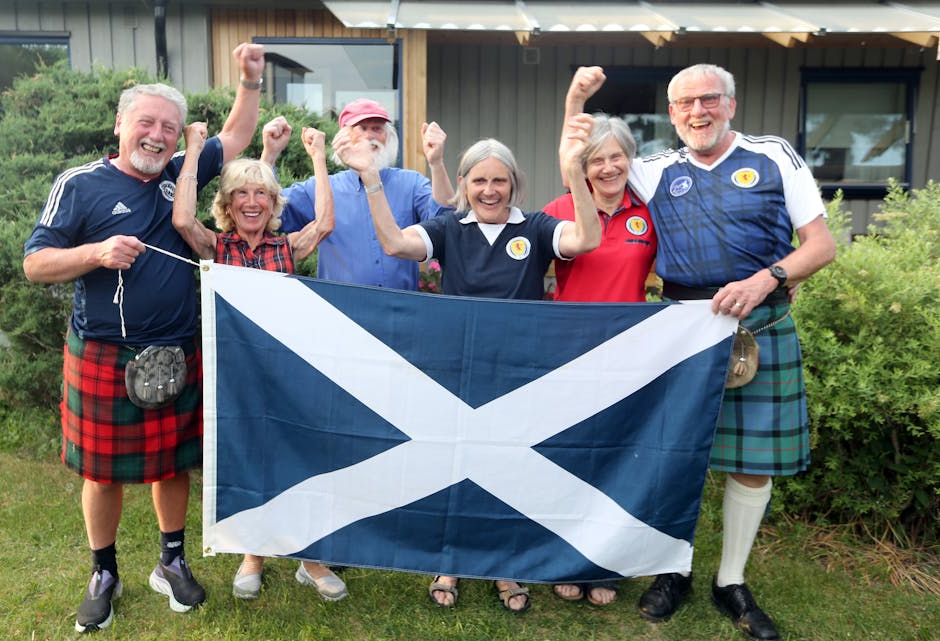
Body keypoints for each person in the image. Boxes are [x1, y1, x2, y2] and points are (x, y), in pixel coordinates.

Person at [564, 64, 836, 641]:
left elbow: (821, 244)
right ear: (672, 113)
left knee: (752, 462)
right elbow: (584, 156)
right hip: (685, 327)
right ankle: (673, 570)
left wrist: (767, 280)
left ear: (730, 104)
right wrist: (577, 99)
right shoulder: (655, 169)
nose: (697, 111)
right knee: (674, 453)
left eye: (708, 99)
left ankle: (730, 581)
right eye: (684, 103)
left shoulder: (773, 155)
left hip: (762, 323)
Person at [22, 43, 266, 633]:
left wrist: (250, 82)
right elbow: (34, 263)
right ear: (121, 125)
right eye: (146, 123)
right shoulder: (81, 184)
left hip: (179, 348)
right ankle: (104, 570)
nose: (157, 136)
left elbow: (233, 138)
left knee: (170, 466)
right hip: (105, 352)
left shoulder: (183, 172)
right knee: (101, 473)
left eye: (170, 128)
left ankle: (171, 559)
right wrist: (94, 253)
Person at [338, 116, 602, 611]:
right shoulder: (447, 229)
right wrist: (372, 179)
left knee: (510, 468)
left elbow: (586, 240)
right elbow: (396, 244)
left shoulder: (538, 227)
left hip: (519, 374)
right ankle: (451, 562)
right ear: (463, 185)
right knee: (456, 465)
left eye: (499, 179)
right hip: (456, 371)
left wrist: (576, 171)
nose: (489, 189)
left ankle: (506, 564)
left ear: (514, 184)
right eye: (478, 179)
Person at [172, 116, 345, 601]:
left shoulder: (285, 247)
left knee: (299, 460)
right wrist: (193, 147)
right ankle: (253, 553)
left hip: (288, 375)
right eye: (241, 195)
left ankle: (308, 559)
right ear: (227, 204)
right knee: (246, 461)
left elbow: (326, 223)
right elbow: (182, 220)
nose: (252, 203)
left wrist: (316, 154)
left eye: (262, 195)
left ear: (273, 204)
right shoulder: (215, 246)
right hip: (234, 379)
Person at [543, 113, 657, 606]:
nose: (609, 167)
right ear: (581, 166)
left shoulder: (651, 213)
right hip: (567, 354)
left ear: (629, 159)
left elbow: (684, 273)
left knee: (613, 460)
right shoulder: (558, 208)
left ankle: (603, 562)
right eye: (597, 159)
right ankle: (564, 557)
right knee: (569, 458)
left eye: (617, 156)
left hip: (628, 358)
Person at [271, 98, 453, 290]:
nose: (369, 136)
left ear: (388, 137)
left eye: (377, 129)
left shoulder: (411, 183)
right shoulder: (322, 187)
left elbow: (445, 220)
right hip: (340, 311)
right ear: (343, 138)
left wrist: (436, 163)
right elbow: (270, 211)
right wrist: (270, 155)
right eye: (361, 128)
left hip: (400, 311)